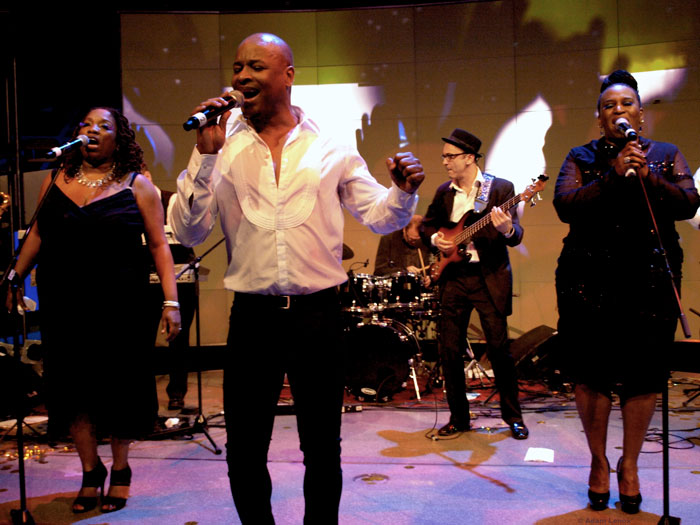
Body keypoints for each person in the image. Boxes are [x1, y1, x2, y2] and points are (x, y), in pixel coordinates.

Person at [168, 32, 424, 525]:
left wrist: (402, 193)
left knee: (322, 448)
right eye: (238, 67)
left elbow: (378, 215)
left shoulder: (329, 145)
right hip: (253, 318)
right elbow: (187, 231)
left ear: (287, 76)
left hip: (318, 316)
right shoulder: (220, 146)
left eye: (256, 66)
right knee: (245, 449)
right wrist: (204, 156)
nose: (242, 76)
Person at [5, 107, 181, 514]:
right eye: (87, 124)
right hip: (65, 302)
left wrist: (170, 302)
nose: (93, 130)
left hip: (121, 305)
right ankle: (90, 470)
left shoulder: (138, 185)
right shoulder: (56, 179)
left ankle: (120, 468)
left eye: (104, 126)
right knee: (73, 389)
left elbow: (159, 246)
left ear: (119, 138)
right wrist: (15, 277)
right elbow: (37, 234)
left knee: (119, 389)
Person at [554, 70, 699, 514]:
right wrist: (614, 175)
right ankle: (598, 462)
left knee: (644, 375)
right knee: (591, 374)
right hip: (588, 280)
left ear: (640, 114)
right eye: (609, 106)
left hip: (650, 280)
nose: (618, 110)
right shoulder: (580, 156)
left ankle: (629, 464)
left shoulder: (665, 154)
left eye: (626, 103)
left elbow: (688, 202)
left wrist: (647, 176)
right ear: (600, 118)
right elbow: (565, 206)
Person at [421, 128, 528, 440]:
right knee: (449, 350)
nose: (445, 162)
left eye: (450, 157)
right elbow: (427, 226)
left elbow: (516, 235)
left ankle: (513, 417)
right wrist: (436, 239)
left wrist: (507, 229)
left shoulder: (500, 188)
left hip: (487, 277)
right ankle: (458, 417)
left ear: (469, 158)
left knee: (499, 350)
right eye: (444, 157)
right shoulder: (444, 192)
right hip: (454, 278)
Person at [143, 167, 196, 412]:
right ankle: (145, 402)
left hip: (179, 279)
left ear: (147, 175)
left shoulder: (171, 200)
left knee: (179, 339)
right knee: (142, 340)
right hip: (144, 281)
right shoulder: (131, 204)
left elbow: (186, 236)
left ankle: (177, 393)